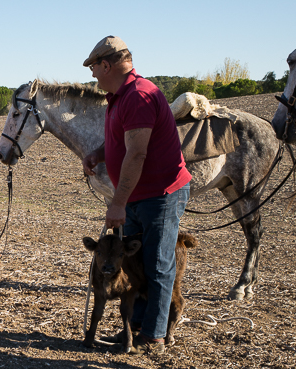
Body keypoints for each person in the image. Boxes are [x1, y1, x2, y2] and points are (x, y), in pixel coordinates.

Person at [81, 36, 192, 355]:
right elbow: (123, 142)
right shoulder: (119, 97)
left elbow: (137, 154)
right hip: (139, 195)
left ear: (107, 65)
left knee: (157, 263)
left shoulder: (139, 96)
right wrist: (101, 153)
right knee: (136, 264)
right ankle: (138, 326)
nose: (92, 75)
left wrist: (117, 203)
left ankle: (154, 334)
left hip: (160, 194)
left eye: (94, 68)